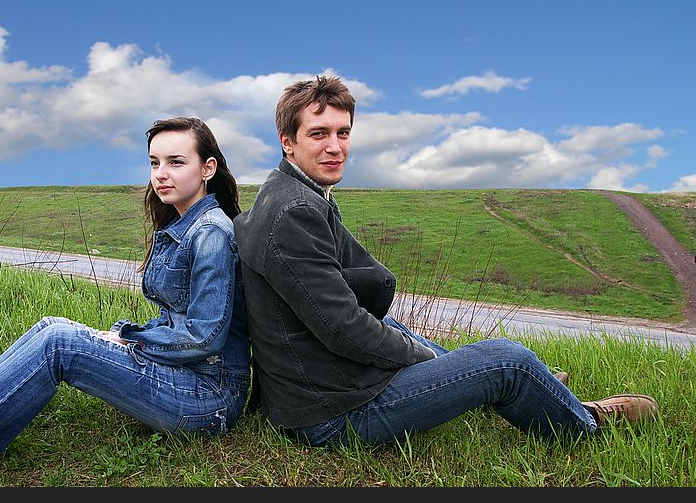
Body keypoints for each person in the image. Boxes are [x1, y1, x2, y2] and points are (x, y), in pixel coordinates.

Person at [233, 76, 658, 448]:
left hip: (317, 387)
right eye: (319, 134)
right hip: (333, 413)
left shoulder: (290, 192)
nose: (335, 147)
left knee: (399, 331)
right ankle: (587, 421)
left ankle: (533, 388)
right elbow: (344, 330)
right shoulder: (293, 212)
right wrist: (430, 361)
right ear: (288, 142)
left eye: (343, 133)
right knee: (507, 360)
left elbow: (340, 298)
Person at [0, 117, 251, 475]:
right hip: (187, 379)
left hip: (207, 400)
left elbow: (203, 336)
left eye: (176, 162)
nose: (161, 173)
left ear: (207, 168)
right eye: (154, 162)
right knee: (52, 327)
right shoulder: (184, 224)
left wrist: (129, 337)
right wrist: (131, 336)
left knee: (59, 343)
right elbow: (178, 318)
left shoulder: (210, 233)